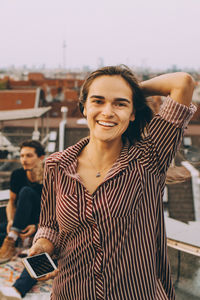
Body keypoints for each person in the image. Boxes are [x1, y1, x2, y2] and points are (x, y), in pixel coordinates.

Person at [30, 66, 195, 300]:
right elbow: (49, 225)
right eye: (98, 101)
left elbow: (183, 82)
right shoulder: (57, 164)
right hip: (71, 292)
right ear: (84, 107)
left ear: (133, 112)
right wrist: (43, 245)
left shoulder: (150, 157)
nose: (108, 112)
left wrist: (133, 90)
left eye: (120, 103)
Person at [0, 139, 45, 262]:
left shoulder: (50, 176)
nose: (24, 160)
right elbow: (11, 201)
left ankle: (12, 238)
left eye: (29, 156)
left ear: (41, 157)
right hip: (19, 221)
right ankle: (14, 235)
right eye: (22, 156)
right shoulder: (17, 174)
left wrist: (36, 227)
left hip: (39, 223)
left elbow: (56, 210)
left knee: (26, 191)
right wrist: (10, 221)